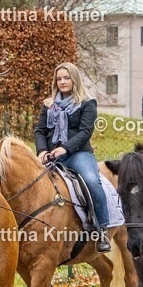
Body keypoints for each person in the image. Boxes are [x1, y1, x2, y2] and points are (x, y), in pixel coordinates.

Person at [34, 62, 112, 252]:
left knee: (92, 180)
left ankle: (102, 230)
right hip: (51, 156)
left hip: (78, 154)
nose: (62, 82)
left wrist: (66, 148)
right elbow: (40, 131)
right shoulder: (49, 105)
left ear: (74, 79)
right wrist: (42, 151)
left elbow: (85, 132)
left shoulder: (87, 103)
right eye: (59, 79)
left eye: (66, 78)